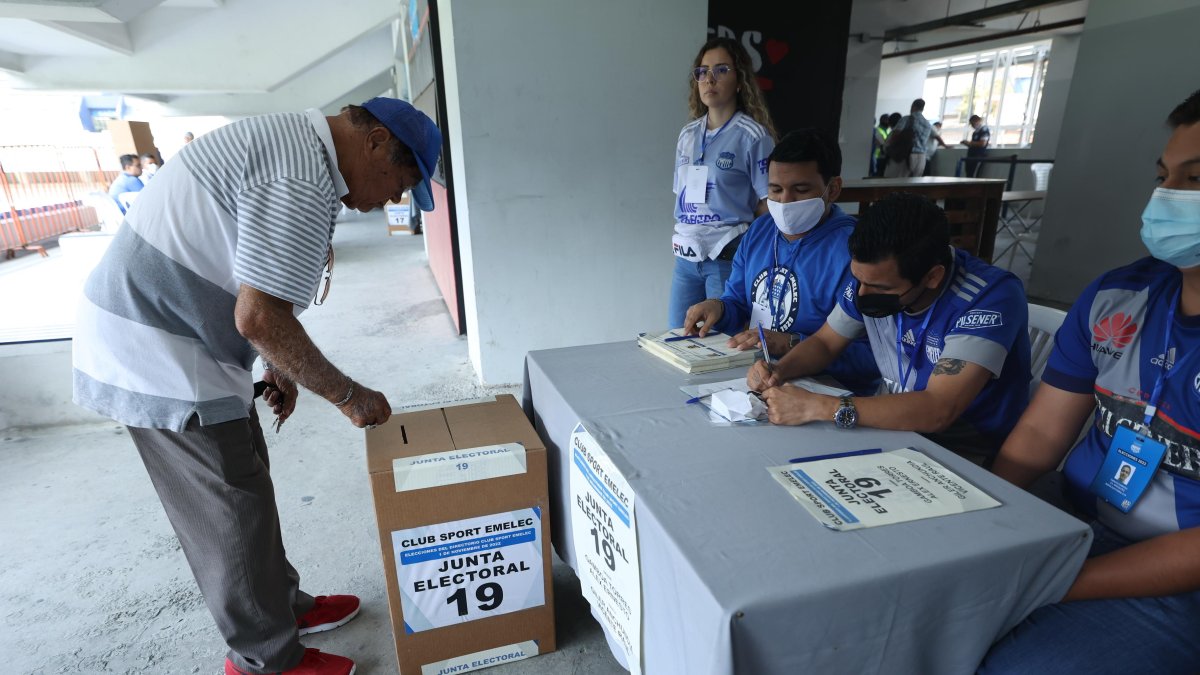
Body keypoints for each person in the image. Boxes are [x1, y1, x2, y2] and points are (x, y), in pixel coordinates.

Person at [73, 97, 442, 675]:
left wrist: (279, 365)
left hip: (188, 334)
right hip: (155, 347)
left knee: (248, 479)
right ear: (374, 142)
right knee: (229, 509)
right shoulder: (299, 174)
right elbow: (260, 317)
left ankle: (281, 608)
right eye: (401, 180)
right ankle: (265, 659)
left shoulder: (304, 153)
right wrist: (347, 395)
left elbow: (255, 287)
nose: (393, 199)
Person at [980, 89, 1200, 673]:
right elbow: (1041, 434)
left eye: (1195, 180)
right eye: (1165, 177)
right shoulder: (1118, 296)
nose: (1169, 198)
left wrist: (1055, 583)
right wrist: (981, 518)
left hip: (1174, 580)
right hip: (1074, 521)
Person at [746, 192, 1031, 461]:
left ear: (932, 277)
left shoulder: (989, 298)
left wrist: (818, 407)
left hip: (963, 444)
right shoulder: (871, 278)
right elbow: (825, 343)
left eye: (879, 287)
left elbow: (938, 409)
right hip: (892, 423)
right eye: (858, 279)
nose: (861, 295)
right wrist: (780, 370)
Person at [682, 128, 879, 394]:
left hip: (827, 390)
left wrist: (789, 343)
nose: (785, 202)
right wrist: (718, 307)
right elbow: (738, 302)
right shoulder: (761, 230)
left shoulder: (856, 251)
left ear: (832, 189)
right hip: (758, 375)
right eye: (775, 190)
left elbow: (871, 356)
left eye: (800, 190)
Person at [668, 36, 777, 328]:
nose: (709, 79)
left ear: (740, 80)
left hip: (725, 261)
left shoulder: (753, 136)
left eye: (721, 70)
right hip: (686, 261)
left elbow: (768, 205)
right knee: (678, 342)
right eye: (702, 71)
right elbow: (682, 197)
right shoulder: (688, 135)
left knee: (718, 351)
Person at [884, 99, 934, 178]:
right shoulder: (927, 124)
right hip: (921, 157)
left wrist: (890, 148)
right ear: (922, 109)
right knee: (913, 185)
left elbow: (895, 135)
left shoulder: (906, 119)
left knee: (897, 183)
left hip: (906, 156)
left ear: (913, 106)